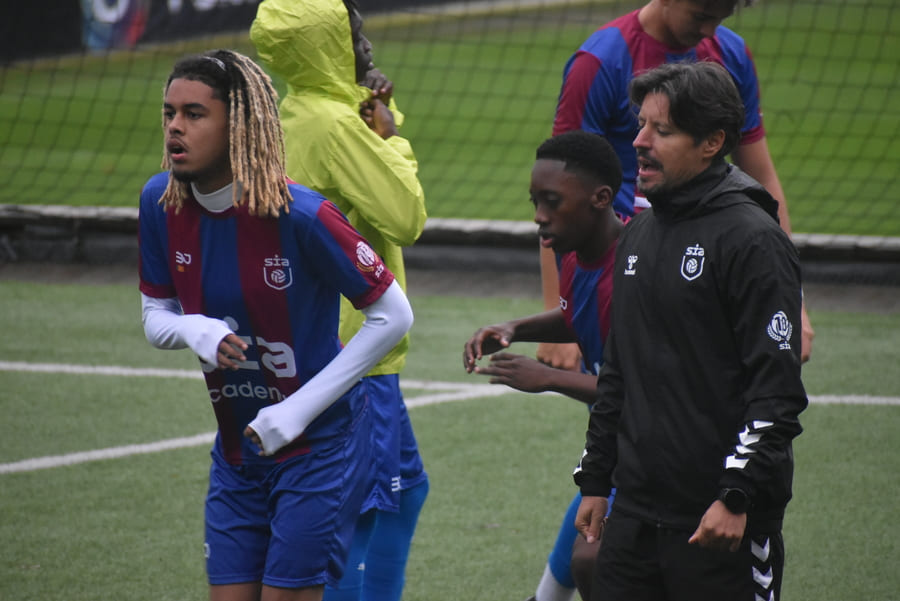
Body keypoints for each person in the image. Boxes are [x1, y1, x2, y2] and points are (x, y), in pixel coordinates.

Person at [137, 49, 414, 601]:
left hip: (321, 450)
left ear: (238, 124)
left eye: (194, 114)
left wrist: (296, 409)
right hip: (237, 453)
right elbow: (154, 315)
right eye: (169, 112)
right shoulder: (160, 202)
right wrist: (197, 331)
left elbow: (393, 314)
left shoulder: (303, 214)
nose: (175, 127)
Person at [574, 61, 808, 601]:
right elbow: (619, 371)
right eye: (641, 125)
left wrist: (736, 495)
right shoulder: (639, 236)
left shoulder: (754, 241)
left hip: (720, 522)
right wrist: (596, 480)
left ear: (712, 142)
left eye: (662, 130)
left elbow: (776, 389)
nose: (639, 141)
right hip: (633, 518)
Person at [250, 2, 429, 600]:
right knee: (362, 515)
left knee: (404, 492)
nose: (363, 41)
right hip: (359, 348)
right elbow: (405, 215)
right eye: (351, 32)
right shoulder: (335, 126)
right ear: (331, 42)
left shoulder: (293, 110)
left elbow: (354, 151)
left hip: (328, 342)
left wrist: (374, 117)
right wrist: (393, 141)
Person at [538, 0, 814, 377]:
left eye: (720, 19)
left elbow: (762, 180)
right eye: (701, 16)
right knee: (629, 421)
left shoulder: (730, 54)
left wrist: (791, 301)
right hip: (621, 283)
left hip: (705, 280)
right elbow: (561, 191)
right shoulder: (600, 62)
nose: (709, 32)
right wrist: (562, 315)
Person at [462, 130, 623, 601]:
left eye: (552, 201)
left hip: (662, 447)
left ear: (600, 198)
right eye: (535, 200)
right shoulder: (573, 253)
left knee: (592, 559)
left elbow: (640, 389)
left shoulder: (632, 275)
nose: (538, 216)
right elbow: (578, 315)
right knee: (589, 538)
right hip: (616, 442)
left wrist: (549, 378)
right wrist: (515, 327)